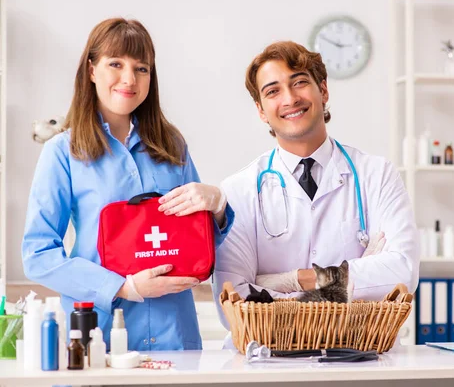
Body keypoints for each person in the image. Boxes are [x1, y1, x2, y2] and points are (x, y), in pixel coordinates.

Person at [163, 41, 419, 336]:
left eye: (299, 82)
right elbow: (235, 300)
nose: (289, 98)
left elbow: (402, 273)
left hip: (360, 358)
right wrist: (355, 276)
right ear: (261, 110)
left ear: (323, 91)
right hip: (268, 364)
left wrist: (288, 281)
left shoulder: (376, 174)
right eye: (272, 91)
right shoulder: (239, 190)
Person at [21, 18, 234, 351]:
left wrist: (217, 206)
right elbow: (38, 255)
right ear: (91, 69)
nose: (129, 79)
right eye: (115, 64)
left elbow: (199, 242)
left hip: (173, 333)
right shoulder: (63, 152)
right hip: (100, 334)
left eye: (142, 68)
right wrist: (122, 287)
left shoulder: (172, 145)